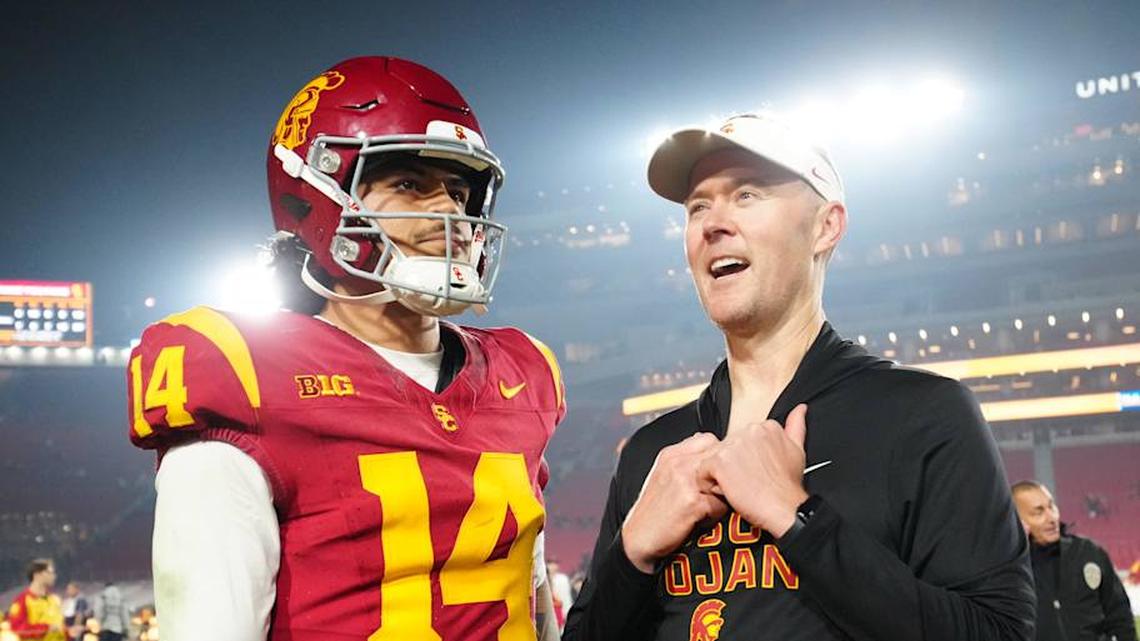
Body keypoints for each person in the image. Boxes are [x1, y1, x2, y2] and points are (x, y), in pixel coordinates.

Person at [128, 56, 565, 640]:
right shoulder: (245, 373)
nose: (449, 213)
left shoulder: (520, 372)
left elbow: (534, 613)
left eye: (459, 191)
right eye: (409, 184)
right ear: (317, 193)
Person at [563, 112, 1036, 640]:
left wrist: (800, 519)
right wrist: (631, 553)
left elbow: (999, 634)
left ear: (826, 225)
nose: (712, 222)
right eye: (698, 205)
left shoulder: (922, 414)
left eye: (747, 195)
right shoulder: (654, 452)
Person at [1012, 480, 1136, 641]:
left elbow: (1121, 616)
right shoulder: (1009, 569)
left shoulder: (1088, 553)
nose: (1052, 518)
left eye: (1051, 506)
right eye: (1038, 512)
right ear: (1016, 519)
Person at [6, 559, 65, 641]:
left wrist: (69, 633)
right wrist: (46, 628)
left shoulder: (55, 600)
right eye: (50, 572)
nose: (54, 576)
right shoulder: (22, 600)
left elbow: (60, 627)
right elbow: (17, 629)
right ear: (37, 575)